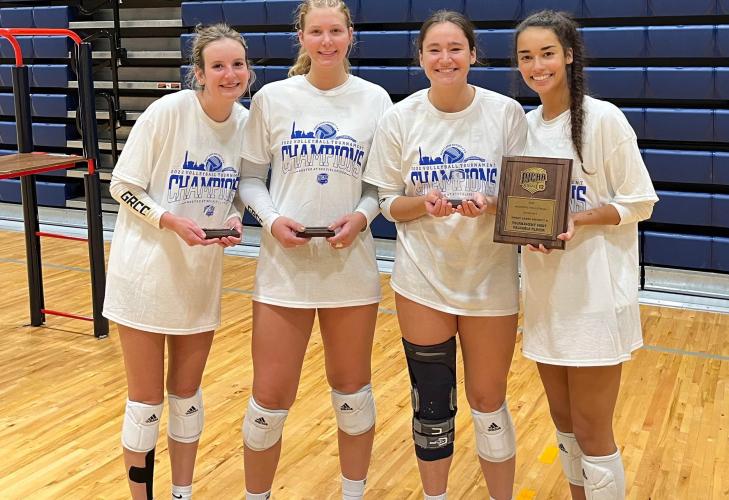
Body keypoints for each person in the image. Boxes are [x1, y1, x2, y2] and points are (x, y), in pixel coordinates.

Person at [363, 10, 527, 500]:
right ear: (421, 58)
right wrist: (424, 205)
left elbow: (524, 202)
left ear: (473, 54)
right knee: (432, 405)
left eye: (456, 48)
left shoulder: (505, 113)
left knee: (488, 402)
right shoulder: (400, 117)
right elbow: (388, 203)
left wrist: (495, 205)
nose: (445, 58)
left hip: (490, 283)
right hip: (422, 281)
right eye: (434, 49)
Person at [236, 1, 392, 498]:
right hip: (285, 271)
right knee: (267, 404)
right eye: (317, 32)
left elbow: (379, 186)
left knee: (354, 397)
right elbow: (251, 179)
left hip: (350, 268)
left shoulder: (375, 100)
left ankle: (353, 493)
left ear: (351, 36)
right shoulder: (273, 98)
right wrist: (274, 220)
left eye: (336, 31)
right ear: (300, 38)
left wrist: (363, 216)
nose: (327, 41)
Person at [102, 23, 251, 500]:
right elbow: (122, 187)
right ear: (199, 74)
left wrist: (234, 217)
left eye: (238, 64)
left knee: (186, 399)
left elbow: (240, 192)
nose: (230, 74)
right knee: (145, 402)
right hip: (144, 277)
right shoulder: (168, 112)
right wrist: (169, 221)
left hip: (198, 279)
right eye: (218, 66)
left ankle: (181, 492)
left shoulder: (247, 125)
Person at [514, 10, 658, 500]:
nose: (537, 66)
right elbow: (523, 207)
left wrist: (579, 219)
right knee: (566, 427)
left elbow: (641, 200)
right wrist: (510, 222)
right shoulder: (525, 125)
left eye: (547, 53)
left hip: (595, 300)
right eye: (526, 56)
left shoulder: (605, 119)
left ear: (569, 55)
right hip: (545, 296)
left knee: (594, 434)